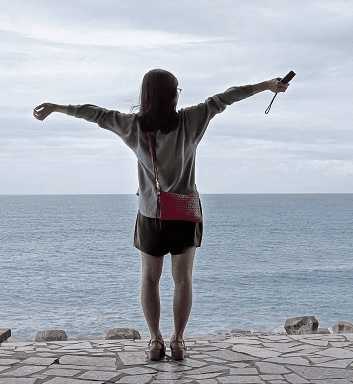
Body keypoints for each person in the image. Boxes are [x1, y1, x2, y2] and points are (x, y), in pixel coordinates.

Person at [33, 69, 290, 362]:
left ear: (145, 95)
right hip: (185, 213)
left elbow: (97, 114)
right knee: (183, 280)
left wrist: (57, 107)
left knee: (150, 279)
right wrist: (267, 85)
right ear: (172, 95)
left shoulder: (132, 126)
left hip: (151, 214)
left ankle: (155, 341)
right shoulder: (192, 120)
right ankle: (178, 341)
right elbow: (225, 97)